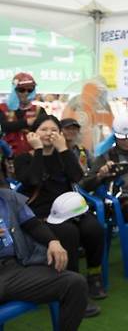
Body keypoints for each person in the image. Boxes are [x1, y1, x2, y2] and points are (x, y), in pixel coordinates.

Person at [14, 115, 106, 315]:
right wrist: (39, 150)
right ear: (34, 133)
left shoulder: (63, 154)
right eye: (44, 129)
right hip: (41, 214)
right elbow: (32, 180)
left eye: (53, 130)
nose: (49, 134)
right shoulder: (23, 157)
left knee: (94, 229)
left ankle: (94, 275)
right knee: (68, 233)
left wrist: (63, 150)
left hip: (70, 209)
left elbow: (78, 178)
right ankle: (74, 287)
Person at [0, 186, 88, 331]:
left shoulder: (8, 197)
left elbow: (33, 224)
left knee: (75, 284)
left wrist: (53, 241)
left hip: (12, 269)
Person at [82, 114, 128, 282]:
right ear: (115, 136)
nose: (127, 142)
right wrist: (100, 175)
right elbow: (84, 184)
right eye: (122, 138)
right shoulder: (106, 157)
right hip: (124, 204)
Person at [0, 72, 47, 157]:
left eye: (30, 90)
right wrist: (26, 122)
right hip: (8, 155)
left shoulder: (39, 109)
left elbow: (45, 129)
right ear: (14, 90)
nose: (26, 93)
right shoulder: (3, 108)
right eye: (21, 90)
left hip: (32, 155)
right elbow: (3, 126)